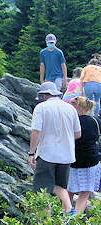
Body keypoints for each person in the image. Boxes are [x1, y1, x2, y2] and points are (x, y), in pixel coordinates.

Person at [30, 80, 82, 214]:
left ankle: (44, 219)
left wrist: (31, 153)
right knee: (60, 186)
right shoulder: (70, 108)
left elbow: (36, 132)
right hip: (67, 155)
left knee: (42, 190)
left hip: (47, 154)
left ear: (44, 95)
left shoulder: (41, 108)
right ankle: (68, 212)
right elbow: (78, 134)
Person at [68, 96, 101, 215]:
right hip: (91, 160)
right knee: (85, 193)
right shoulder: (95, 121)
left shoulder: (71, 121)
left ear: (76, 107)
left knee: (69, 191)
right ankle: (75, 218)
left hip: (73, 160)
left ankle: (65, 215)